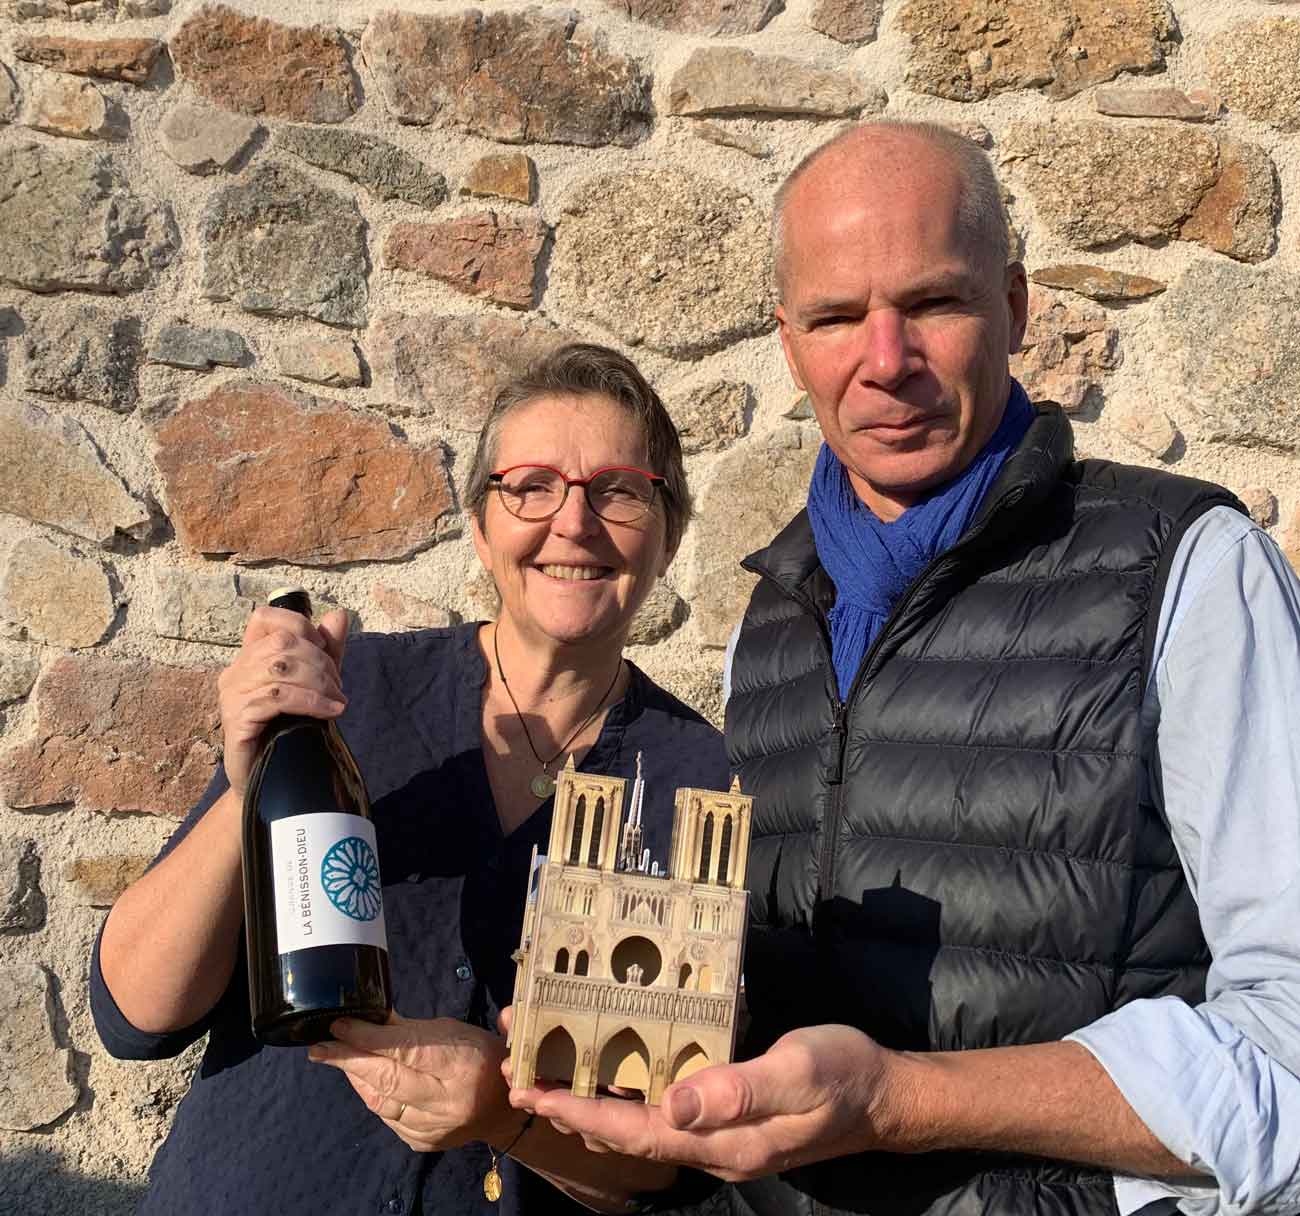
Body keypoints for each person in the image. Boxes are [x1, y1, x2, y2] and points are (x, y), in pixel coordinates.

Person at [509, 123, 1300, 1214]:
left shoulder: (1188, 573)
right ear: (789, 345)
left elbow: (1287, 1059)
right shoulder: (771, 627)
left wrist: (899, 1099)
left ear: (1015, 307)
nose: (884, 360)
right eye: (836, 317)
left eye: (931, 303)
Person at [90, 343, 732, 1216]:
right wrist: (251, 788)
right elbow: (136, 1015)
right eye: (531, 486)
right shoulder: (348, 695)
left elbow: (665, 1167)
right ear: (479, 527)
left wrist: (505, 1117)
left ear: (668, 535)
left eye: (618, 489)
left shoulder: (697, 788)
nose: (573, 523)